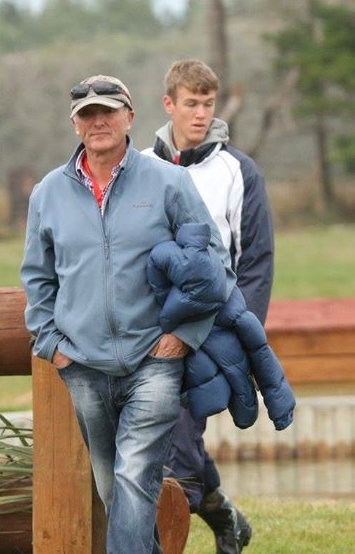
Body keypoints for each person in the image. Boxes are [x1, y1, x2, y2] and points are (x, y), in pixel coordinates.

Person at [21, 74, 235, 554]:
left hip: (154, 359)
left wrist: (186, 333)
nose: (98, 121)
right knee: (112, 486)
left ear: (130, 118)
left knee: (135, 475)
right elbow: (37, 278)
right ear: (75, 124)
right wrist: (52, 345)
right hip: (81, 364)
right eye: (87, 114)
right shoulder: (48, 193)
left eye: (108, 111)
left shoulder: (168, 181)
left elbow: (213, 265)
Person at [144, 59, 275, 554]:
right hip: (150, 333)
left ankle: (168, 534)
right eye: (191, 103)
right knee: (168, 434)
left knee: (174, 444)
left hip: (215, 334)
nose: (200, 114)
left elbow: (257, 262)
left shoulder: (239, 172)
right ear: (169, 105)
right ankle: (223, 515)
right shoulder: (140, 167)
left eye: (208, 104)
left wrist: (243, 335)